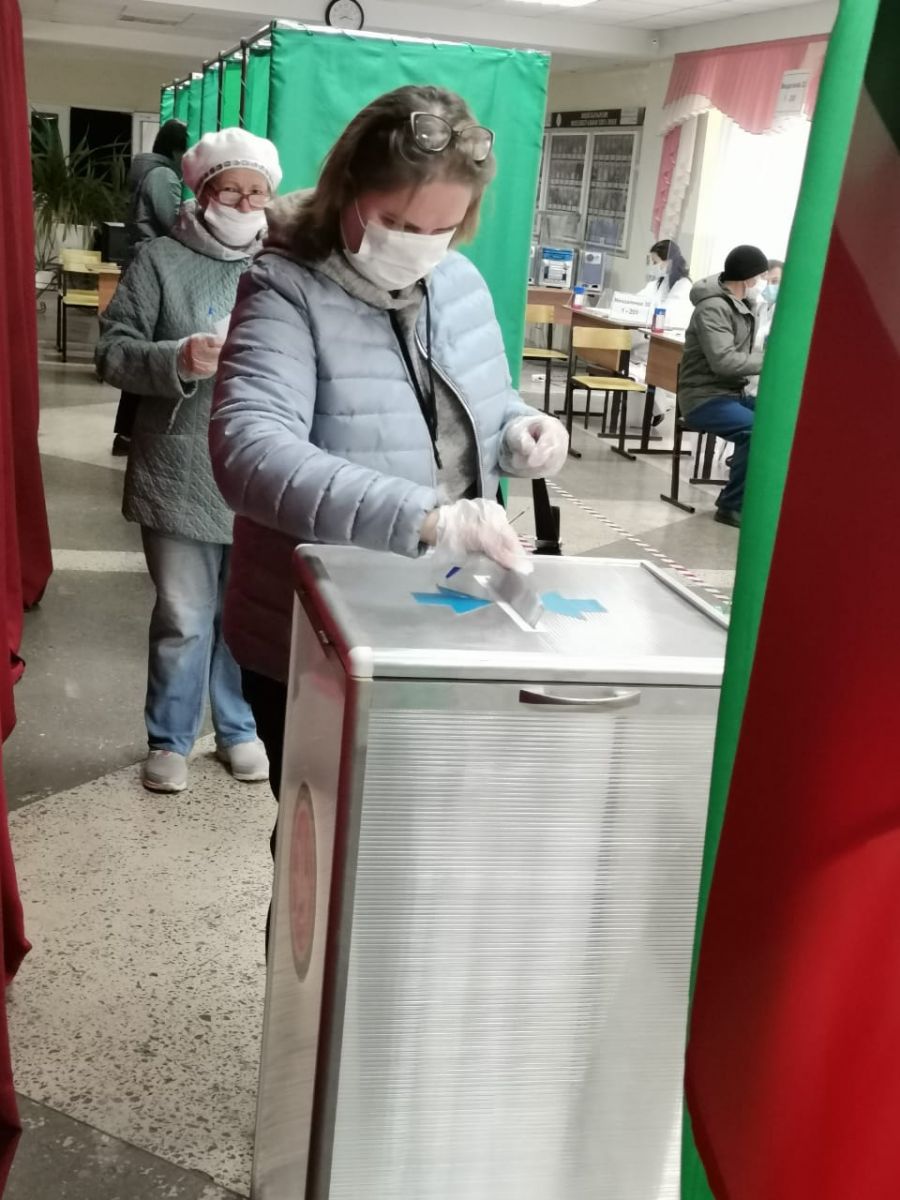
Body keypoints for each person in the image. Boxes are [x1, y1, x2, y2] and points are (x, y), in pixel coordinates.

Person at [209, 86, 570, 798]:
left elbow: (475, 402)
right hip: (320, 627)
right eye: (396, 222)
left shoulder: (457, 280)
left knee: (424, 819)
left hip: (444, 610)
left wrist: (518, 432)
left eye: (440, 229)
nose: (416, 246)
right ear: (347, 191)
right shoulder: (284, 288)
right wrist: (428, 519)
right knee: (328, 835)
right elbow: (250, 452)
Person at [96, 128, 283, 793]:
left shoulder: (284, 265)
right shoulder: (160, 261)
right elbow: (111, 351)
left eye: (257, 192)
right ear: (202, 192)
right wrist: (176, 358)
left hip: (262, 471)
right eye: (229, 190)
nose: (244, 203)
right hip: (179, 466)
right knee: (183, 615)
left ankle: (239, 728)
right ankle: (169, 738)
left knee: (245, 615)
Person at [677, 244, 768, 529]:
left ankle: (761, 498)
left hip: (731, 394)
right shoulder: (713, 308)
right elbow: (724, 362)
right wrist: (771, 360)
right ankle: (731, 506)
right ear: (748, 278)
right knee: (755, 431)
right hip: (704, 397)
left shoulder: (742, 306)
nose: (761, 283)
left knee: (781, 422)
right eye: (760, 277)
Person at [113, 119, 189, 457]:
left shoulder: (149, 171)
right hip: (154, 270)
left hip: (144, 266)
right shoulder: (163, 176)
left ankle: (126, 434)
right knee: (149, 354)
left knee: (143, 351)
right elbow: (174, 223)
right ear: (177, 150)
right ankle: (129, 434)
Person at [637, 238, 693, 330]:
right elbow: (637, 301)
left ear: (669, 261)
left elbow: (667, 316)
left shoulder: (684, 285)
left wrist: (647, 311)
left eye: (655, 262)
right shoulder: (660, 282)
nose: (653, 266)